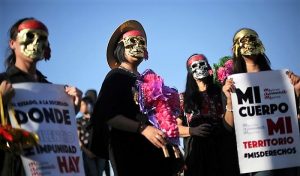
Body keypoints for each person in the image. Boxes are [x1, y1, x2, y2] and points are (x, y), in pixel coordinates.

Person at [89, 20, 182, 176]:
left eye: (142, 42)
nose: (137, 46)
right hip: (129, 153)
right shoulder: (115, 76)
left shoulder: (149, 79)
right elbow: (108, 115)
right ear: (121, 48)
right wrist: (143, 129)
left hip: (155, 154)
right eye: (131, 42)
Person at [0, 17, 82, 176]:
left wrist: (72, 109)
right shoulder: (1, 83)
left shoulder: (50, 89)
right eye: (29, 36)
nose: (36, 42)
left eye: (42, 38)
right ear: (13, 43)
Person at [223, 28, 300, 176]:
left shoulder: (282, 80)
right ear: (235, 49)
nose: (249, 44)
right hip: (258, 160)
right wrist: (229, 101)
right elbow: (228, 127)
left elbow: (292, 116)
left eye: (252, 39)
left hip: (286, 154)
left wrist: (296, 92)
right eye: (243, 41)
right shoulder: (232, 84)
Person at [177, 54, 240, 176]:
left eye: (202, 64)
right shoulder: (182, 98)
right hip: (197, 154)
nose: (200, 68)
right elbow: (175, 128)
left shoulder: (221, 92)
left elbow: (230, 125)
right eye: (195, 66)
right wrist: (193, 130)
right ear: (190, 72)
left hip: (222, 148)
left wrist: (229, 100)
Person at [77, 96, 107, 176]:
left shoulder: (98, 119)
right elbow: (77, 139)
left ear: (89, 105)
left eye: (83, 104)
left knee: (99, 173)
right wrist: (87, 152)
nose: (80, 107)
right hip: (87, 152)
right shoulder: (79, 121)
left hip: (100, 152)